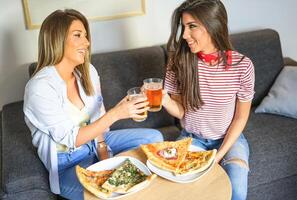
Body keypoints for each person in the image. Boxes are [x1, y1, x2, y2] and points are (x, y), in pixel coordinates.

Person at [23, 9, 163, 200]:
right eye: (78, 35)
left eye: (86, 36)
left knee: (154, 137)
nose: (87, 43)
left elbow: (98, 121)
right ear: (57, 38)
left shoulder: (87, 71)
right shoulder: (39, 87)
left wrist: (105, 152)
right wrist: (116, 113)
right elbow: (72, 139)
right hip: (68, 163)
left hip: (96, 145)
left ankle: (134, 175)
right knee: (111, 190)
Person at [162, 1, 254, 200]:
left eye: (192, 26)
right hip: (191, 139)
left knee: (236, 192)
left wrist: (218, 157)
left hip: (230, 140)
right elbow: (181, 112)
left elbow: (240, 118)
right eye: (183, 26)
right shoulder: (178, 61)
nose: (185, 35)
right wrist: (163, 99)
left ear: (213, 25)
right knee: (184, 192)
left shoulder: (243, 66)